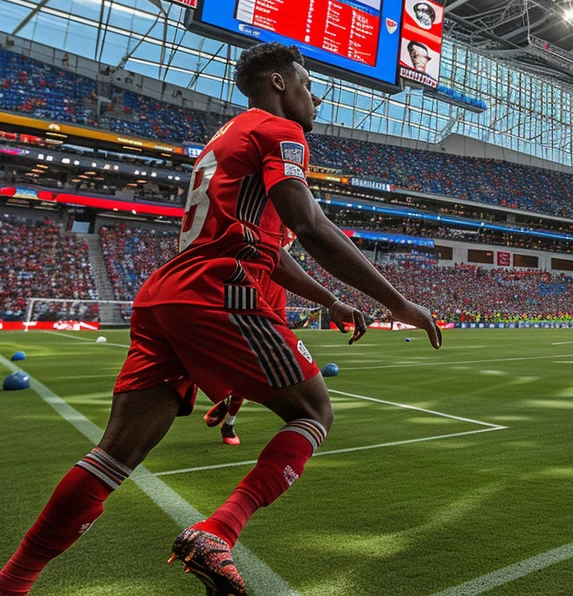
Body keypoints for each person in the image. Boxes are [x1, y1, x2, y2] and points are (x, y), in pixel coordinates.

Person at [0, 43, 442, 596]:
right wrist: (397, 302)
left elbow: (272, 250)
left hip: (168, 294)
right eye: (308, 87)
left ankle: (14, 581)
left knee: (114, 454)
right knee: (313, 411)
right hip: (219, 292)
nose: (316, 100)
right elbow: (309, 226)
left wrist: (328, 301)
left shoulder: (226, 137)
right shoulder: (281, 133)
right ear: (279, 83)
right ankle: (218, 530)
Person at [205, 251, 368, 446]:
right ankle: (225, 398)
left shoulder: (282, 238)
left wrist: (332, 302)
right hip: (244, 285)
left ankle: (229, 421)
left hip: (273, 291)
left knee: (259, 362)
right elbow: (312, 230)